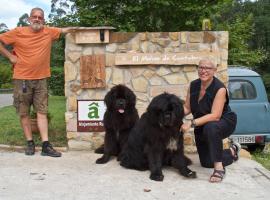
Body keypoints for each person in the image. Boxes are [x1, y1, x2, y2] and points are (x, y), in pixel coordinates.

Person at [0, 7, 73, 157]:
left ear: (44, 20)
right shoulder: (18, 32)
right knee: (24, 113)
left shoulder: (48, 31)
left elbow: (66, 29)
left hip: (41, 79)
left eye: (40, 17)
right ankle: (30, 143)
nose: (37, 19)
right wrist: (9, 56)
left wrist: (83, 29)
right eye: (34, 16)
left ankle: (46, 146)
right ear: (29, 19)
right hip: (22, 79)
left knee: (42, 112)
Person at [181, 58, 241, 183]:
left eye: (207, 68)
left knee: (211, 127)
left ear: (214, 70)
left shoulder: (220, 88)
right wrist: (172, 116)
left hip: (224, 122)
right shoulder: (193, 85)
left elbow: (215, 115)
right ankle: (232, 151)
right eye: (201, 67)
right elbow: (187, 107)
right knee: (206, 162)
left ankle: (219, 168)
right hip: (203, 124)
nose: (203, 71)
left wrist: (191, 123)